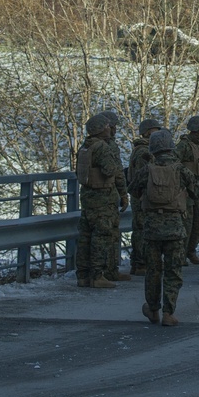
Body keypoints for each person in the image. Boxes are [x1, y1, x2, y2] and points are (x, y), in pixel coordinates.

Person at [130, 130, 199, 327]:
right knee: (173, 272)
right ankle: (168, 313)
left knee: (153, 271)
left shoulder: (147, 169)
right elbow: (198, 192)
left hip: (151, 229)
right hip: (175, 229)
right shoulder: (180, 169)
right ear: (171, 147)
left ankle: (153, 309)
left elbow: (133, 190)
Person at [74, 114, 129, 289]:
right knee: (102, 237)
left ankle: (83, 276)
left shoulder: (85, 147)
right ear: (100, 129)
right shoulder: (102, 148)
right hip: (104, 198)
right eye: (107, 126)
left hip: (88, 197)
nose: (110, 128)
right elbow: (110, 170)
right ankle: (98, 275)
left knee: (86, 237)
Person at [97, 110, 131, 281]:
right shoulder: (106, 146)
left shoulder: (90, 144)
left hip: (93, 195)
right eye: (113, 126)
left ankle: (91, 273)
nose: (115, 129)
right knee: (108, 235)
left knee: (94, 234)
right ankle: (105, 272)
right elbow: (116, 172)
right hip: (106, 195)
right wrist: (123, 194)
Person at [175, 116, 199, 265]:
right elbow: (175, 164)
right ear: (195, 129)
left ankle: (191, 249)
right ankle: (182, 253)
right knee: (187, 223)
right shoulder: (183, 146)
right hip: (186, 190)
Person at [127, 118, 162, 276]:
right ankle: (140, 263)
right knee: (141, 229)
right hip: (142, 195)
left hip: (143, 194)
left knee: (142, 229)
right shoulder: (143, 151)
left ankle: (139, 263)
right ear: (147, 133)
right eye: (154, 131)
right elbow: (142, 176)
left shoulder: (145, 149)